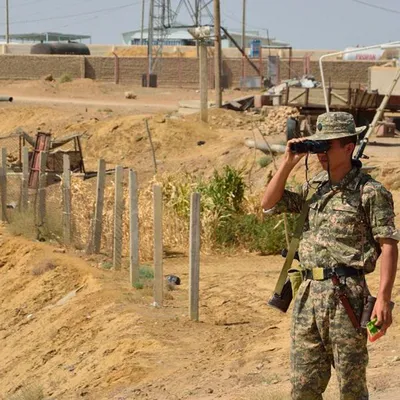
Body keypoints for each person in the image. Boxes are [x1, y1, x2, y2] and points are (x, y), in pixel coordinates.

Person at [261, 112, 399, 400]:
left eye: (328, 145)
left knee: (351, 386)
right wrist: (288, 162)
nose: (322, 153)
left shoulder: (370, 192)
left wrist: (384, 299)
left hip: (346, 296)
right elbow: (268, 203)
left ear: (348, 147)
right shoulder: (313, 187)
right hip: (308, 294)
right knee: (303, 388)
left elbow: (388, 245)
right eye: (318, 145)